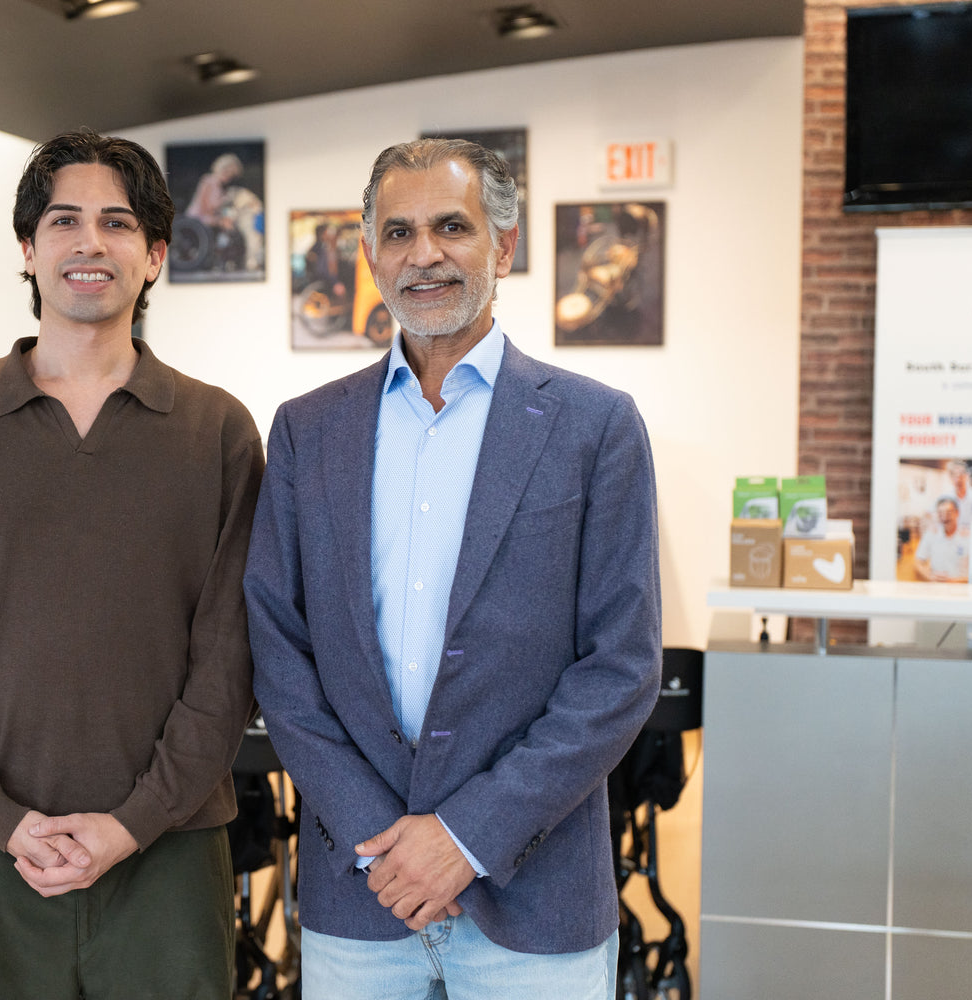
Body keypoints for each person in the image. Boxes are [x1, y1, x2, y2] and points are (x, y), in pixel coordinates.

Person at [244, 137, 662, 999]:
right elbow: (279, 654)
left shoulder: (596, 428)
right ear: (368, 254)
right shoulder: (305, 432)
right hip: (363, 892)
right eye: (397, 232)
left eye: (451, 226)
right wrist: (379, 839)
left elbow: (620, 668)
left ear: (503, 247)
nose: (422, 254)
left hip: (534, 893)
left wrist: (465, 838)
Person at [0, 129, 264, 999]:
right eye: (64, 221)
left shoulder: (219, 434)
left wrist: (135, 822)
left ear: (156, 255)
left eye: (119, 224)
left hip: (167, 856)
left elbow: (231, 658)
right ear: (27, 250)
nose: (91, 243)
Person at [914, 495, 969, 582]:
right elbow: (918, 562)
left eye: (949, 512)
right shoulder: (931, 534)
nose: (944, 517)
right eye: (940, 513)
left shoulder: (967, 537)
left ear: (957, 513)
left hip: (961, 588)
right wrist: (929, 576)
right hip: (936, 588)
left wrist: (954, 581)